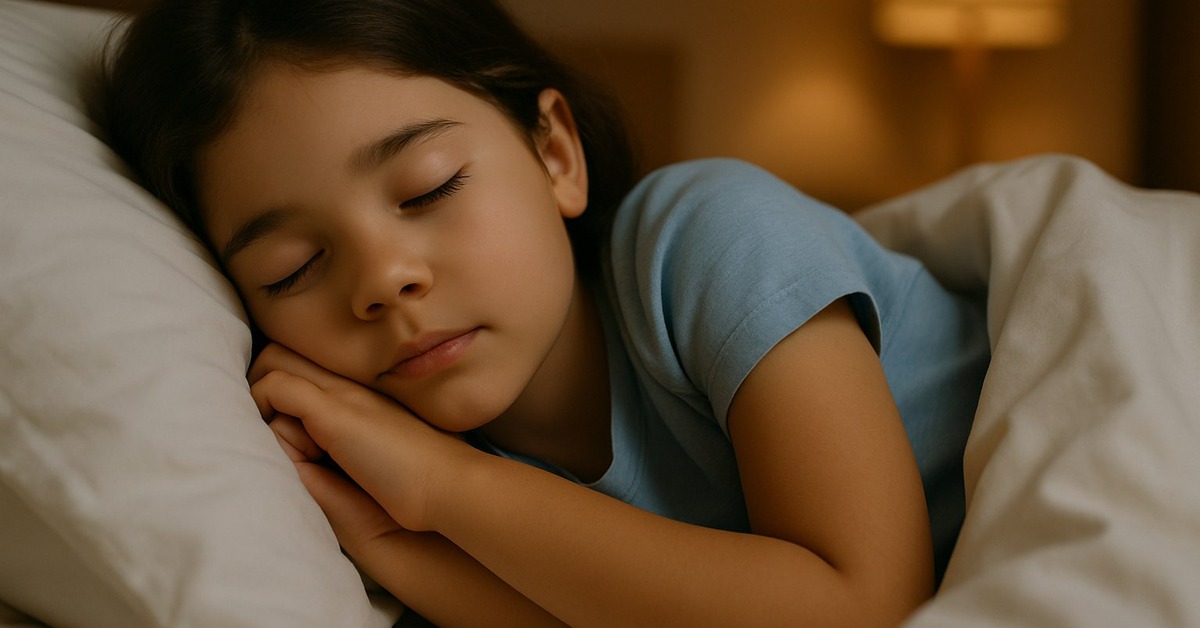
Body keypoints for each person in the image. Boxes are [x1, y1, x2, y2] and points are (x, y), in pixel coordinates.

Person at [93, 0, 990, 624]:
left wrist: (444, 491)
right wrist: (386, 537)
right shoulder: (387, 465)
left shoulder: (712, 237)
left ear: (555, 153)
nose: (384, 281)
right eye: (291, 269)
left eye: (428, 189)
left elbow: (864, 609)